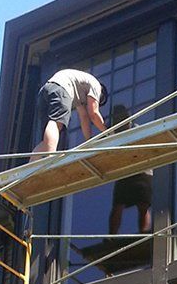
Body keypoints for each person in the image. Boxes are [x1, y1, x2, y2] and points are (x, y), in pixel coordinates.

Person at [32, 68, 108, 158]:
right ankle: (50, 157)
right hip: (62, 88)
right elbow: (93, 113)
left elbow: (84, 117)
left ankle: (32, 164)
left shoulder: (80, 93)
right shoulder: (96, 86)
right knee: (56, 124)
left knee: (47, 138)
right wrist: (106, 131)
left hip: (46, 89)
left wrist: (88, 141)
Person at [108, 104, 152, 235]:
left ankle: (143, 232)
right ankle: (112, 236)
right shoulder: (112, 132)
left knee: (143, 204)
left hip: (142, 170)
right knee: (118, 206)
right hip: (125, 171)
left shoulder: (137, 129)